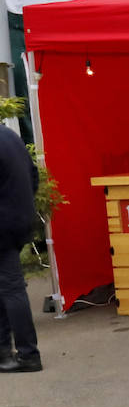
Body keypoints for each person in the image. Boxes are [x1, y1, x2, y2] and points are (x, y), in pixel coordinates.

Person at [0, 123, 42, 374]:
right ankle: (4, 351)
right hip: (18, 221)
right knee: (6, 287)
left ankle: (28, 355)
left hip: (3, 226)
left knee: (12, 289)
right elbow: (33, 175)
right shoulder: (9, 135)